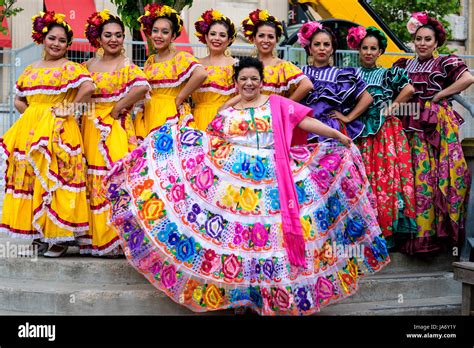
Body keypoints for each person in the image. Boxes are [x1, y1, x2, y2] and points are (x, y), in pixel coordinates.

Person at [104, 57, 390, 315]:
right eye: (243, 79)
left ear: (261, 81)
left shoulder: (277, 104)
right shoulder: (228, 108)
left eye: (254, 78)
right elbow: (211, 140)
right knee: (240, 239)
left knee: (271, 239)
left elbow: (308, 123)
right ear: (236, 82)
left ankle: (273, 297)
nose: (249, 83)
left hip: (275, 177)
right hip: (233, 182)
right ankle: (240, 296)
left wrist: (339, 137)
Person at [0, 11, 95, 257]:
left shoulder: (70, 68)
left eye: (62, 41)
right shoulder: (31, 69)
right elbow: (20, 99)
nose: (56, 44)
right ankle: (38, 235)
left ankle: (59, 238)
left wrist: (71, 108)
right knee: (32, 181)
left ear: (68, 45)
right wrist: (34, 114)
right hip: (31, 131)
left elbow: (88, 87)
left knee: (57, 180)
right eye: (52, 38)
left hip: (58, 131)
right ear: (43, 39)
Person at [393, 12, 474, 255]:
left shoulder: (445, 63)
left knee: (440, 177)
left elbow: (468, 78)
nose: (422, 44)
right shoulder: (404, 65)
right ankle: (417, 237)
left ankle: (439, 238)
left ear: (436, 42)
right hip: (411, 124)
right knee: (417, 179)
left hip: (437, 125)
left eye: (427, 39)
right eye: (418, 39)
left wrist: (439, 96)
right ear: (413, 40)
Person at [80, 10, 150, 256]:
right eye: (108, 35)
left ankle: (115, 239)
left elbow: (142, 86)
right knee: (90, 177)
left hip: (114, 127)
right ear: (98, 38)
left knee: (114, 178)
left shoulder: (126, 64)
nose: (114, 39)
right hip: (89, 126)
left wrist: (118, 107)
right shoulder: (87, 65)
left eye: (119, 35)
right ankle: (92, 238)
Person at [346, 25, 417, 248]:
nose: (368, 52)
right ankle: (363, 233)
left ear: (380, 52)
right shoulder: (350, 74)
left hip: (384, 134)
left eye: (373, 48)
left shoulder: (388, 74)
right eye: (364, 48)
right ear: (358, 50)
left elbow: (409, 89)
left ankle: (386, 233)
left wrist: (391, 108)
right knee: (361, 179)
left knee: (385, 179)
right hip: (357, 133)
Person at [133, 3, 207, 140]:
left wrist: (179, 98)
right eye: (155, 31)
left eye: (165, 32)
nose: (158, 35)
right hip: (150, 112)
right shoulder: (150, 60)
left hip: (170, 111)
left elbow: (201, 74)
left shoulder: (179, 57)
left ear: (173, 37)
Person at [297, 21, 373, 142]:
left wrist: (348, 118)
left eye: (326, 44)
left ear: (332, 49)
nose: (322, 48)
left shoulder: (341, 75)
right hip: (303, 126)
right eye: (317, 44)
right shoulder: (299, 72)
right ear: (310, 49)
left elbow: (367, 98)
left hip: (330, 130)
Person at [240, 9, 313, 100]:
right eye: (261, 35)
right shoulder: (245, 66)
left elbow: (307, 85)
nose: (266, 40)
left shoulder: (283, 66)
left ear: (276, 40)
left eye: (270, 37)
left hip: (274, 114)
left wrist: (284, 106)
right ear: (254, 38)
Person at [191, 9, 237, 131]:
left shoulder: (236, 65)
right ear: (205, 37)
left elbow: (245, 94)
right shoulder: (196, 64)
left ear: (228, 40)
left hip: (226, 119)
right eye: (213, 34)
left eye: (222, 35)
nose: (217, 38)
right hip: (197, 119)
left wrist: (226, 106)